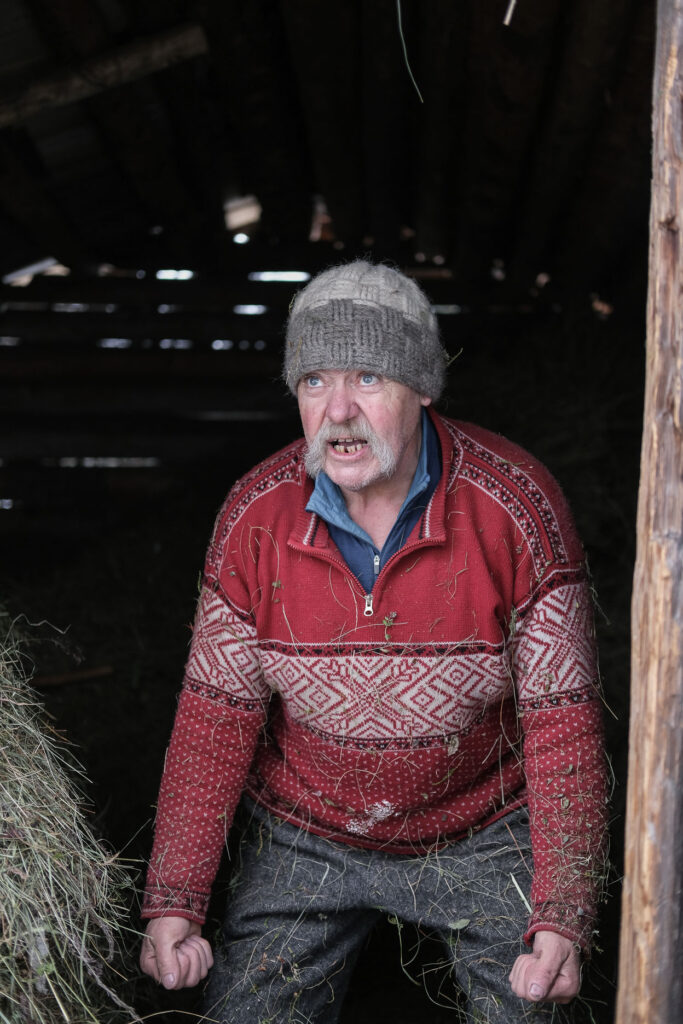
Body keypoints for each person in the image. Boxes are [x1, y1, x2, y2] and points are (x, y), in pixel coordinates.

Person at [139, 261, 608, 1022]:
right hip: (305, 830)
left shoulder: (516, 507)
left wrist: (563, 913)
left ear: (424, 387)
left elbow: (563, 726)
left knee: (538, 1010)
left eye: (367, 376)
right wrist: (175, 901)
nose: (339, 411)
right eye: (315, 381)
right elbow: (212, 720)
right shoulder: (255, 518)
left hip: (479, 828)